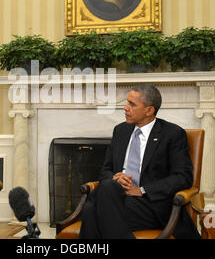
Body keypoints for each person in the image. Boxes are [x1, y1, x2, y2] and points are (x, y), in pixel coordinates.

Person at [79, 84, 200, 239]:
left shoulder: (172, 134)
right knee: (108, 185)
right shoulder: (120, 131)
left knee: (90, 210)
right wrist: (116, 177)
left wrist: (142, 190)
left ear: (149, 110)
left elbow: (183, 177)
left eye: (132, 104)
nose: (125, 108)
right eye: (127, 102)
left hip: (150, 204)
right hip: (116, 197)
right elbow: (105, 170)